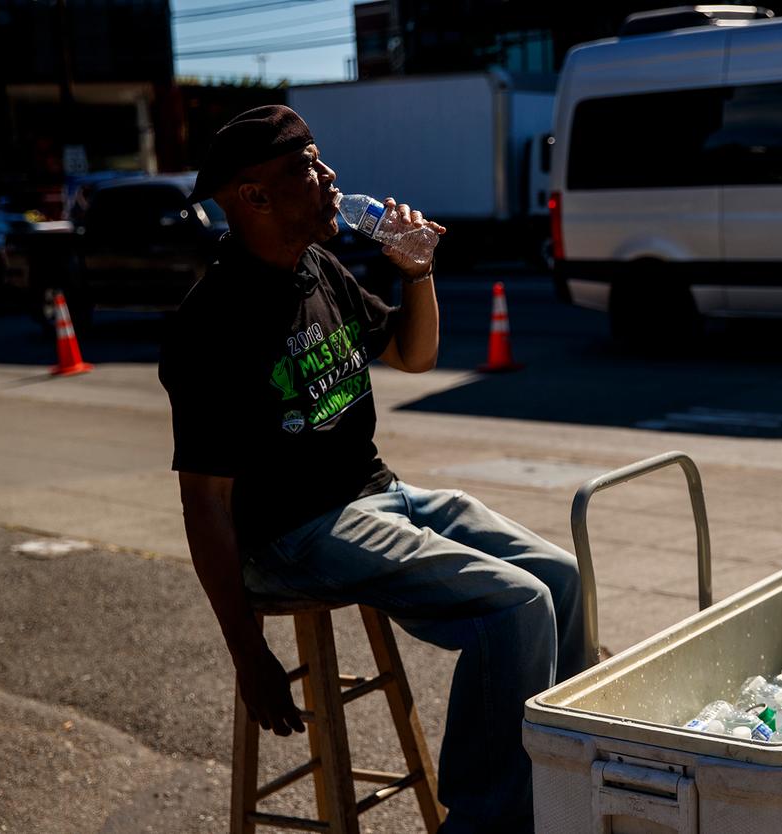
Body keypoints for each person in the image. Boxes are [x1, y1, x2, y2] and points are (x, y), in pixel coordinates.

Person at [158, 105, 587, 833]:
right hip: (294, 534)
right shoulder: (213, 325)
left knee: (562, 579)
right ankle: (488, 823)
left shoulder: (317, 266)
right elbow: (205, 503)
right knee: (516, 606)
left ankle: (570, 784)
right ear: (255, 197)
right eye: (308, 167)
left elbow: (412, 354)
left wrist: (417, 272)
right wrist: (247, 650)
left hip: (377, 492)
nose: (330, 179)